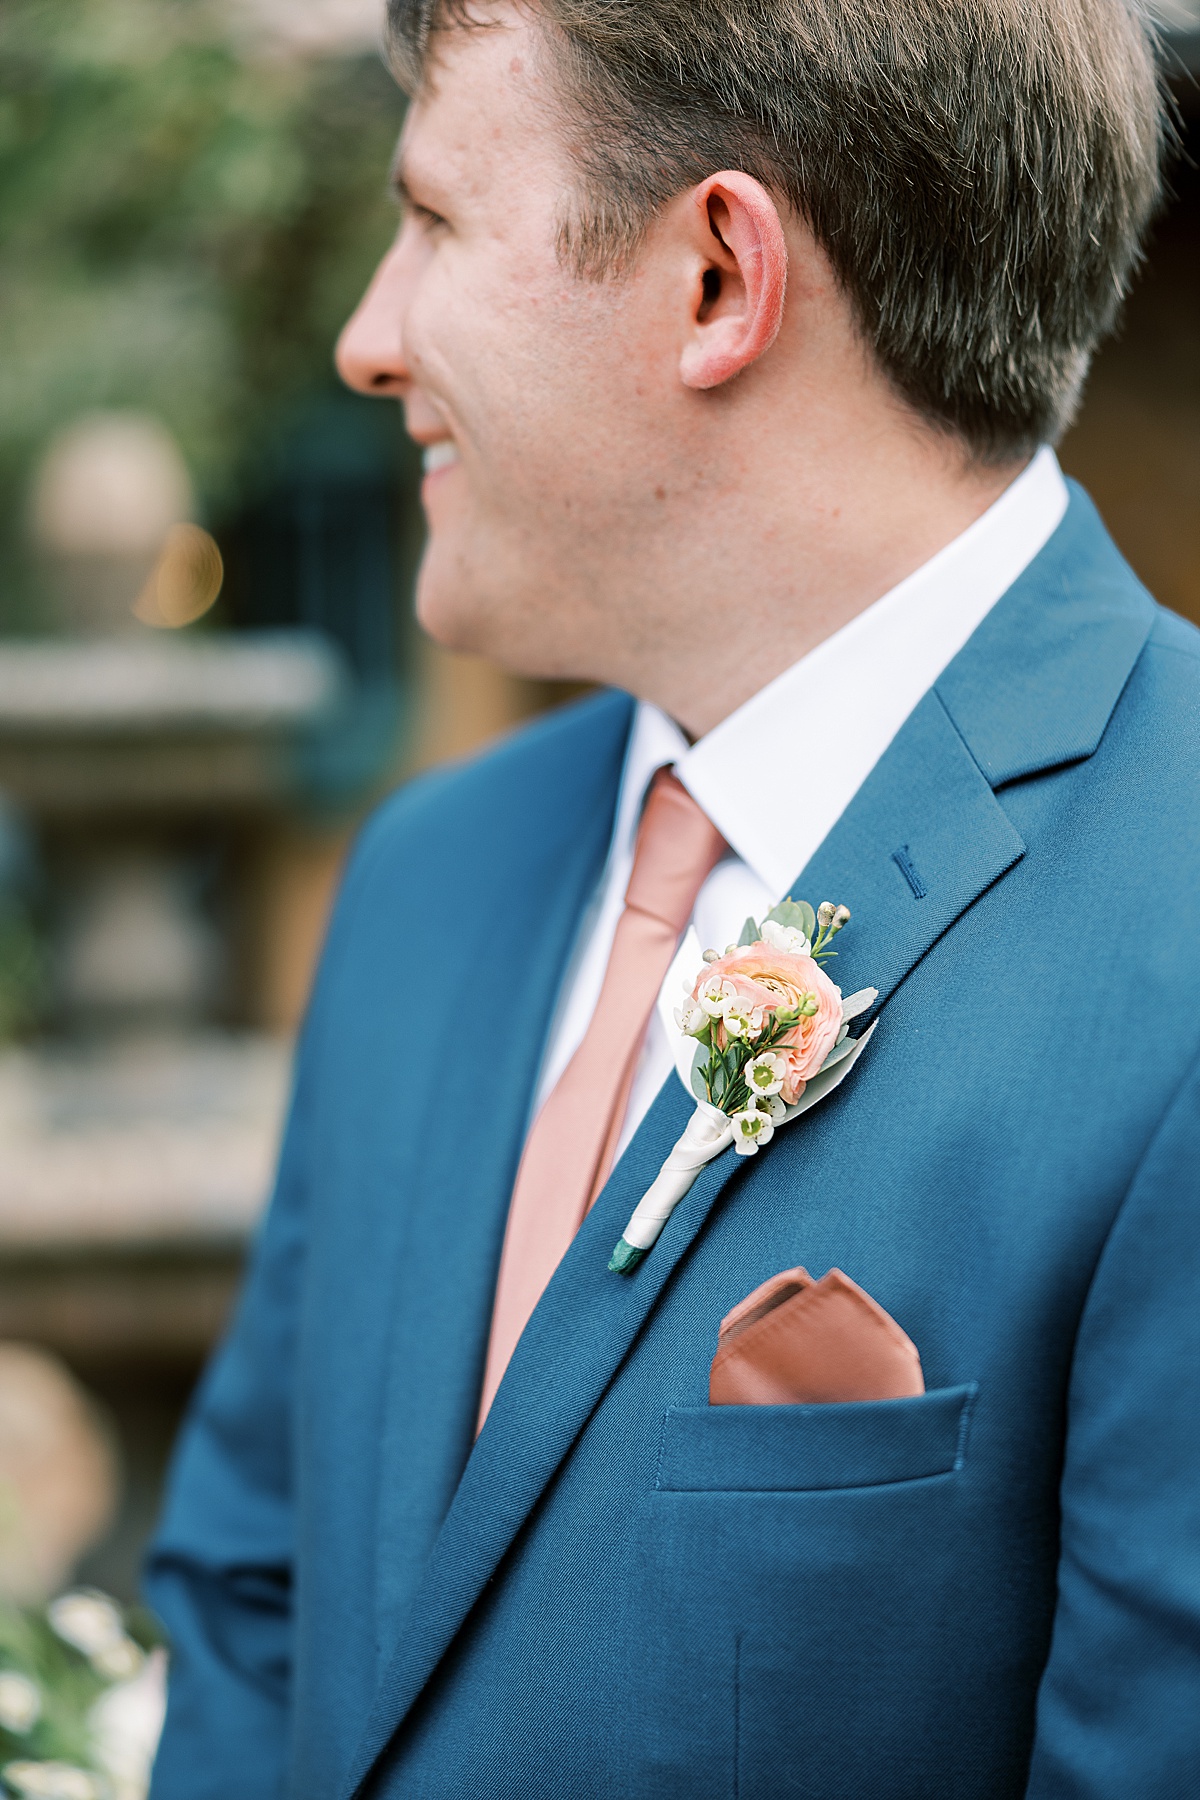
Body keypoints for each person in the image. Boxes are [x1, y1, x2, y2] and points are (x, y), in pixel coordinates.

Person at [145, 3, 1200, 1795]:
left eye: (436, 223)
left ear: (718, 277)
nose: (366, 340)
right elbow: (260, 1602)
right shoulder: (428, 878)